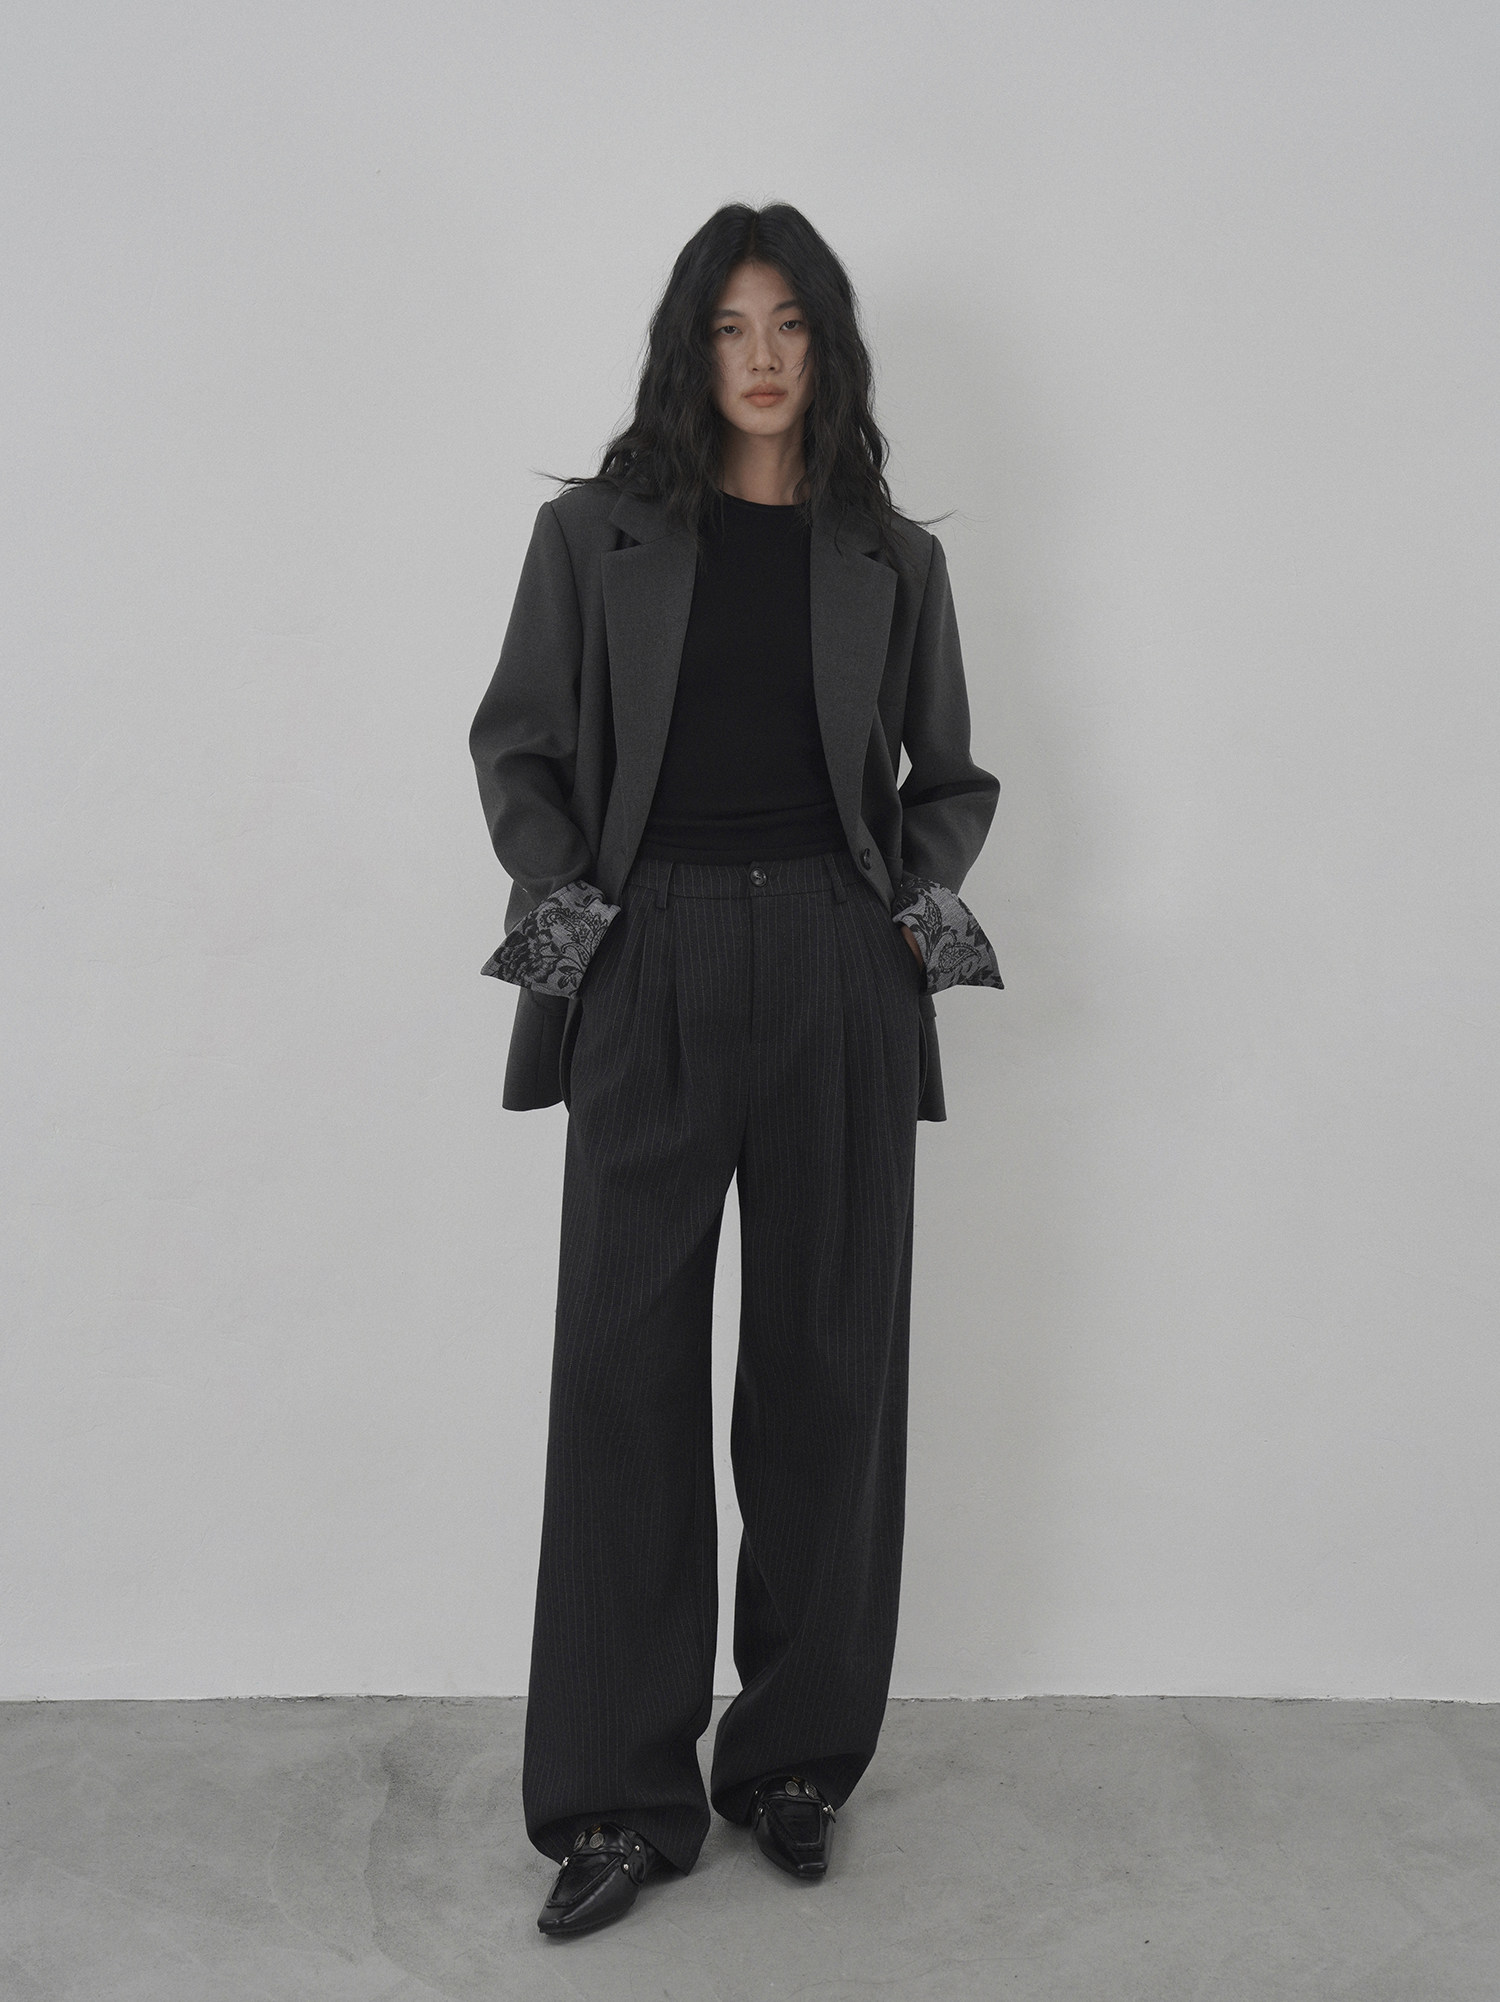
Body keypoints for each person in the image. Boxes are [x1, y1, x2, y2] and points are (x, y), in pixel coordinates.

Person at [469, 202, 1003, 1940]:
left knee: (829, 1369)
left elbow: (948, 778)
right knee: (621, 1373)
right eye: (729, 326)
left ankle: (792, 1758)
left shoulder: (888, 555)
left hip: (840, 969)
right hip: (654, 957)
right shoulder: (592, 535)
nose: (761, 356)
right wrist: (580, 918)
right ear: (688, 348)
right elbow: (520, 747)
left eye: (789, 324)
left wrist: (905, 919)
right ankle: (613, 1796)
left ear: (826, 347)